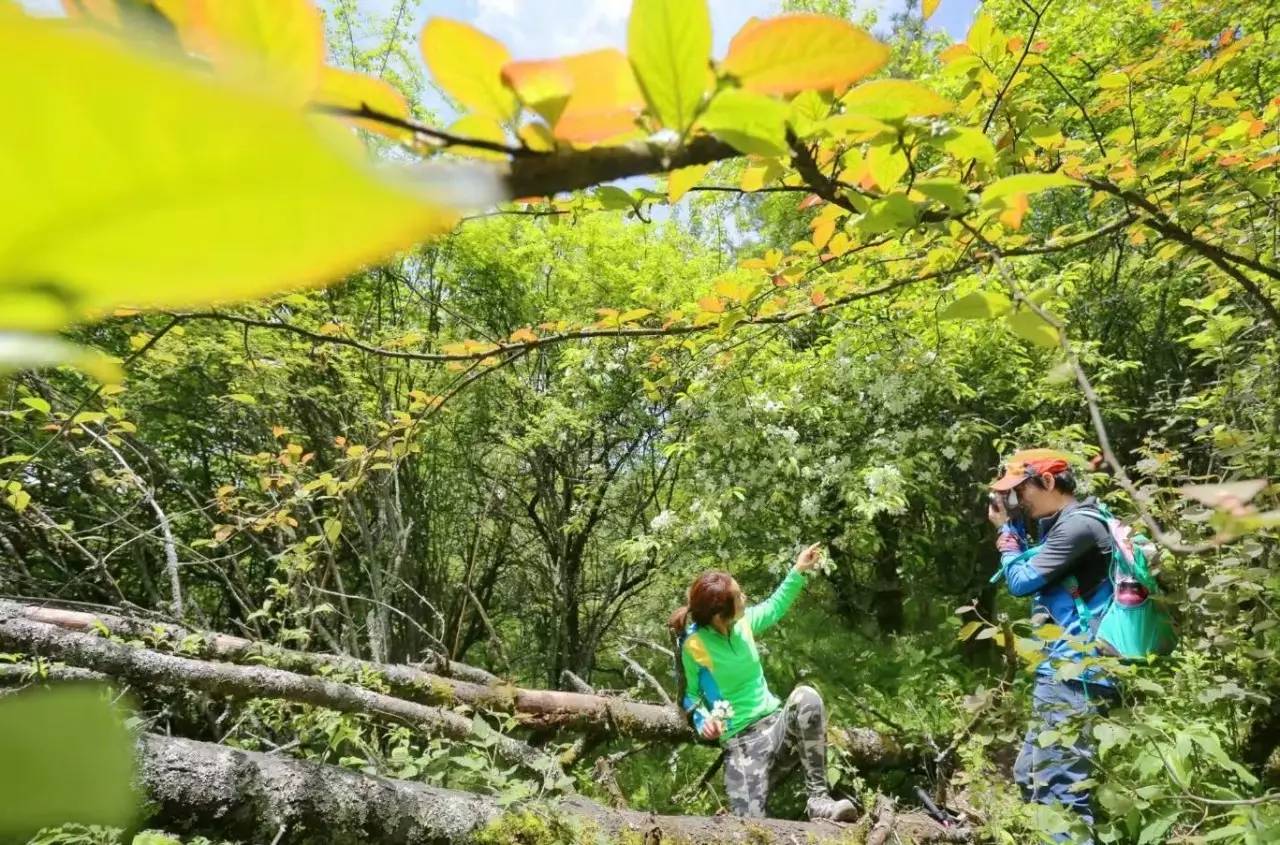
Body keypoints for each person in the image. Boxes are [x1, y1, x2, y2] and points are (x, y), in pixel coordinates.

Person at [667, 543, 857, 821]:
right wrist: (702, 720)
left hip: (776, 729)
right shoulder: (694, 645)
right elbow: (690, 696)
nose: (744, 597)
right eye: (738, 595)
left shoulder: (742, 623)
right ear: (720, 615)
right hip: (740, 744)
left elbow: (775, 606)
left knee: (806, 696)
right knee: (749, 827)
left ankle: (819, 801)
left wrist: (798, 570)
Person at [987, 449, 1119, 842]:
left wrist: (1006, 537)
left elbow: (1022, 581)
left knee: (1059, 788)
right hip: (1063, 669)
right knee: (1030, 773)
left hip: (1078, 670)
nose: (1016, 501)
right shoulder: (1062, 524)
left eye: (1020, 490)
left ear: (1047, 482)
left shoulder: (1079, 526)